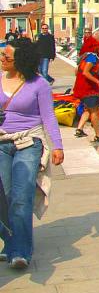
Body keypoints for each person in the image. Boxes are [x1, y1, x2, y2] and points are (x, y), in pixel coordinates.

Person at [0, 38, 64, 269]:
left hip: (29, 142)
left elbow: (49, 116)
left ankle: (20, 251)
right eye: (2, 55)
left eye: (7, 57)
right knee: (4, 199)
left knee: (21, 196)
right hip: (2, 143)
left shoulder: (39, 84)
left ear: (21, 60)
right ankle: (10, 242)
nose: (2, 59)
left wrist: (57, 145)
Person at [72, 44, 99, 144]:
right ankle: (98, 135)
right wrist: (98, 82)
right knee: (94, 111)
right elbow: (85, 72)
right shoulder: (92, 58)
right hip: (88, 89)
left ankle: (79, 129)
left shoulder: (87, 56)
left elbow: (76, 71)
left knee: (88, 109)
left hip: (81, 88)